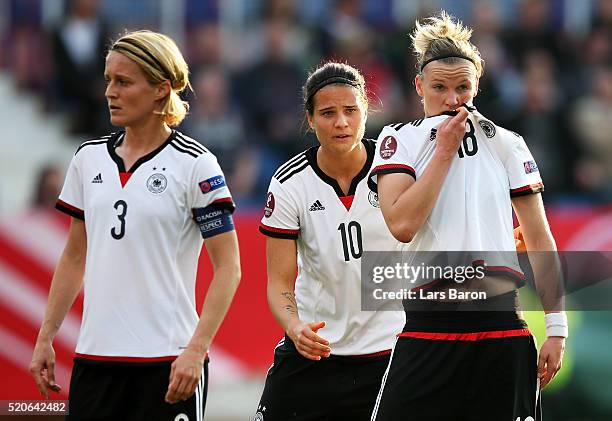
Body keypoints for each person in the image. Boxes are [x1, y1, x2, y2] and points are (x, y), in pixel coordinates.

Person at [29, 30, 241, 421]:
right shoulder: (87, 159)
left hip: (169, 362)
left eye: (123, 82)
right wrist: (46, 337)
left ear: (161, 89)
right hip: (95, 361)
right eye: (108, 80)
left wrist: (196, 350)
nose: (110, 92)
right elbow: (75, 255)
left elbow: (229, 268)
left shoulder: (196, 165)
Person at [368, 12, 566, 421]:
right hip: (428, 324)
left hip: (501, 325)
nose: (452, 99)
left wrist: (557, 328)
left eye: (463, 88)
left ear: (477, 86)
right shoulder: (399, 139)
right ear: (420, 86)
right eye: (439, 87)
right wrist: (443, 152)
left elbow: (540, 238)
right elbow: (402, 224)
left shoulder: (507, 144)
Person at [254, 62, 405, 421]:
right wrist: (295, 328)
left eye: (351, 110)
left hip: (388, 355)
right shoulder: (289, 183)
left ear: (365, 111)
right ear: (310, 118)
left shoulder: (397, 170)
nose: (341, 122)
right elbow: (278, 283)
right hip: (313, 353)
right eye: (328, 112)